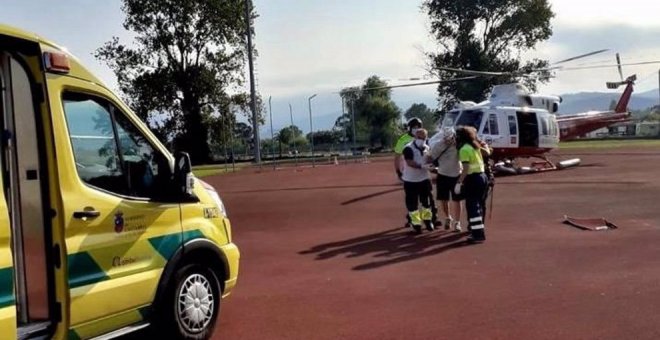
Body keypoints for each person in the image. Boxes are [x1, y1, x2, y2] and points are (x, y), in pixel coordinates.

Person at [454, 126, 490, 243]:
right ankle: (478, 232)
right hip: (482, 177)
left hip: (473, 179)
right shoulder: (474, 146)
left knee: (472, 206)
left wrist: (459, 182)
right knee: (478, 205)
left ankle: (478, 234)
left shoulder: (464, 149)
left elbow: (465, 169)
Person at [426, 127, 463, 232]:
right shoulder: (438, 145)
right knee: (443, 198)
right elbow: (432, 155)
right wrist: (443, 145)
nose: (448, 139)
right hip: (442, 174)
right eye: (446, 137)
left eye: (450, 137)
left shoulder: (458, 145)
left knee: (457, 199)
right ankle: (448, 217)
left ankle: (457, 222)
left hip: (456, 174)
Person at [402, 128, 435, 233]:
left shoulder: (427, 147)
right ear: (415, 137)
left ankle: (428, 221)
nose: (423, 140)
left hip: (424, 179)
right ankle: (416, 224)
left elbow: (429, 159)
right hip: (410, 180)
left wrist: (431, 163)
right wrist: (422, 166)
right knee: (412, 203)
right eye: (421, 137)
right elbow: (409, 162)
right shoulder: (408, 148)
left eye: (425, 138)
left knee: (427, 202)